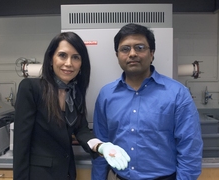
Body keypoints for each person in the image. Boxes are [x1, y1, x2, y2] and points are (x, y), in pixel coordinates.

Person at [92, 23, 203, 180]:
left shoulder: (177, 94)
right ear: (117, 55)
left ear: (152, 53)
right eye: (125, 49)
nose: (132, 54)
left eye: (140, 47)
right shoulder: (106, 95)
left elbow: (190, 148)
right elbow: (101, 146)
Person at [13, 32, 130, 180]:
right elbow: (21, 144)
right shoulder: (31, 88)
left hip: (67, 173)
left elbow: (81, 130)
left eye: (75, 57)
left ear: (81, 63)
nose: (69, 63)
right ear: (51, 59)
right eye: (62, 55)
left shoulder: (75, 93)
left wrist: (101, 146)